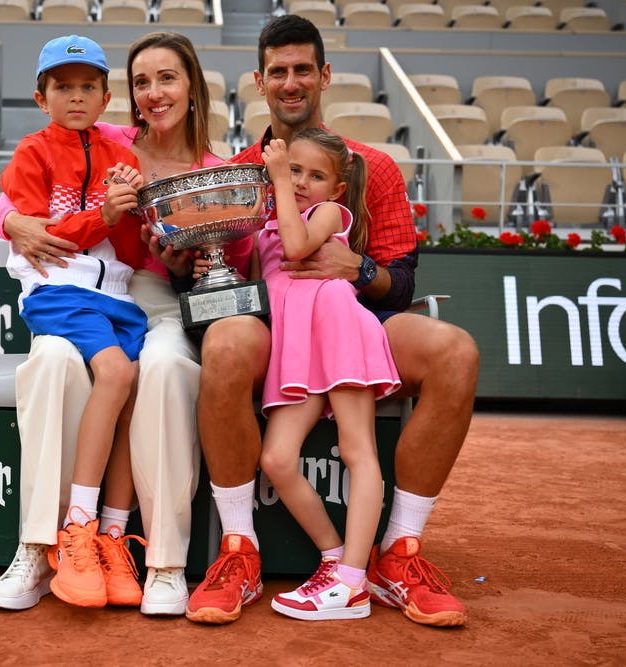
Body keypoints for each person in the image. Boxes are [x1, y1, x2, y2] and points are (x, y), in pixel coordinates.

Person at [184, 14, 479, 627]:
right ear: (258, 82)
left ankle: (397, 555)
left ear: (324, 76)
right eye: (277, 72)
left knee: (456, 352)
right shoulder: (235, 175)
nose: (290, 83)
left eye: (302, 70)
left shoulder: (371, 167)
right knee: (226, 346)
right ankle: (239, 551)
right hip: (275, 328)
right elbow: (226, 277)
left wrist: (357, 267)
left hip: (355, 324)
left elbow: (401, 284)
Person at [0, 32, 242, 616]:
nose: (154, 93)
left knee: (166, 367)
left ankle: (162, 562)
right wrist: (14, 225)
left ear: (193, 88)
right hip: (78, 290)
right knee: (49, 363)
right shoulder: (108, 138)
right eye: (143, 82)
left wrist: (184, 260)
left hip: (156, 300)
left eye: (168, 78)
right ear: (122, 97)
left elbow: (230, 260)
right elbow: (29, 197)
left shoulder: (217, 169)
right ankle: (38, 545)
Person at [0, 33, 149, 610]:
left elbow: (131, 251)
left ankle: (111, 533)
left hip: (119, 298)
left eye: (88, 87)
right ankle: (77, 525)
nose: (76, 97)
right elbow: (44, 239)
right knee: (114, 374)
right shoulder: (32, 153)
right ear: (41, 97)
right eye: (63, 87)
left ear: (106, 97)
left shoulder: (123, 158)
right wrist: (99, 216)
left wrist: (129, 212)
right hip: (58, 293)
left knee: (133, 389)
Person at [247, 129, 402, 621]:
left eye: (315, 176)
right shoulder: (264, 228)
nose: (301, 182)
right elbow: (257, 287)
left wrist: (275, 178)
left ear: (335, 189)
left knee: (359, 450)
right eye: (294, 170)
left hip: (338, 330)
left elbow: (296, 247)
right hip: (298, 352)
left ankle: (354, 582)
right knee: (275, 458)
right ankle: (335, 560)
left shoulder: (327, 215)